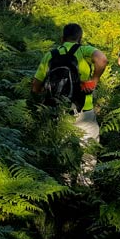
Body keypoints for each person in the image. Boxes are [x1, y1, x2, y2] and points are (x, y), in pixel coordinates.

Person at [32, 23, 107, 184]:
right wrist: (94, 80)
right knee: (88, 152)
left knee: (65, 154)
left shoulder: (50, 55)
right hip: (83, 112)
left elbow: (35, 87)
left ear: (62, 38)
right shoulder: (83, 51)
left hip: (60, 114)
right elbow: (102, 59)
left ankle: (64, 187)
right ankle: (84, 189)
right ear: (80, 38)